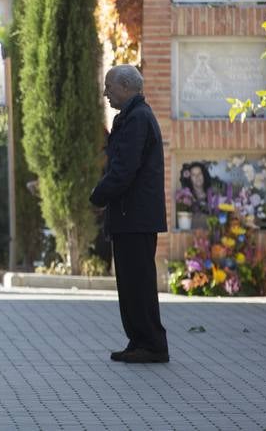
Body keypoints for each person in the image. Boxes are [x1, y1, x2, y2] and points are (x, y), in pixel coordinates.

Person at [90, 65, 169, 364]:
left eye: (109, 86)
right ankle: (139, 341)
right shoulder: (132, 117)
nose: (105, 92)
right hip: (130, 216)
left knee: (138, 284)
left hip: (135, 217)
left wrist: (98, 195)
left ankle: (151, 344)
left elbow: (123, 170)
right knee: (131, 284)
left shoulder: (138, 119)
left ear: (126, 87)